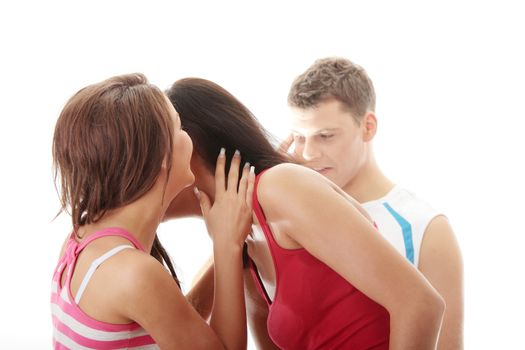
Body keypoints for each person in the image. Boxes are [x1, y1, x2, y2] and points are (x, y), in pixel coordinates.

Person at [164, 77, 445, 350]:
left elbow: (420, 304)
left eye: (148, 159)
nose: (136, 183)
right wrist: (226, 245)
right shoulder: (245, 239)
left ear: (192, 148)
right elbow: (183, 332)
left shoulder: (279, 187)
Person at [50, 73, 254, 350]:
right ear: (160, 156)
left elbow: (177, 324)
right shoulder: (134, 272)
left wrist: (227, 244)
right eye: (180, 128)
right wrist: (227, 245)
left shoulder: (83, 236)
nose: (189, 139)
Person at [281, 57, 464, 349]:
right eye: (299, 138)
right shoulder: (286, 219)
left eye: (325, 136)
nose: (308, 153)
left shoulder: (425, 229)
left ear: (368, 126)